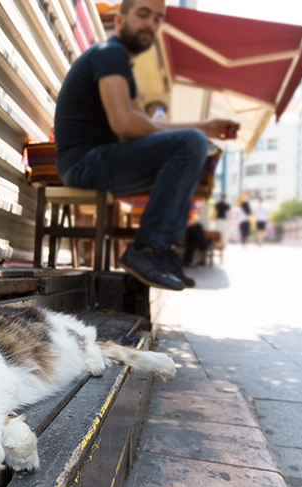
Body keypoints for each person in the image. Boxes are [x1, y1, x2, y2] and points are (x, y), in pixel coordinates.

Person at [53, 0, 239, 291]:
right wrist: (194, 136)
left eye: (158, 18)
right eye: (143, 14)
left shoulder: (121, 67)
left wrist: (203, 127)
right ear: (119, 20)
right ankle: (149, 248)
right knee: (190, 144)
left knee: (193, 143)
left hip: (95, 160)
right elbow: (126, 125)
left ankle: (162, 252)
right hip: (83, 161)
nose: (151, 24)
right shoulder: (109, 53)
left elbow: (146, 127)